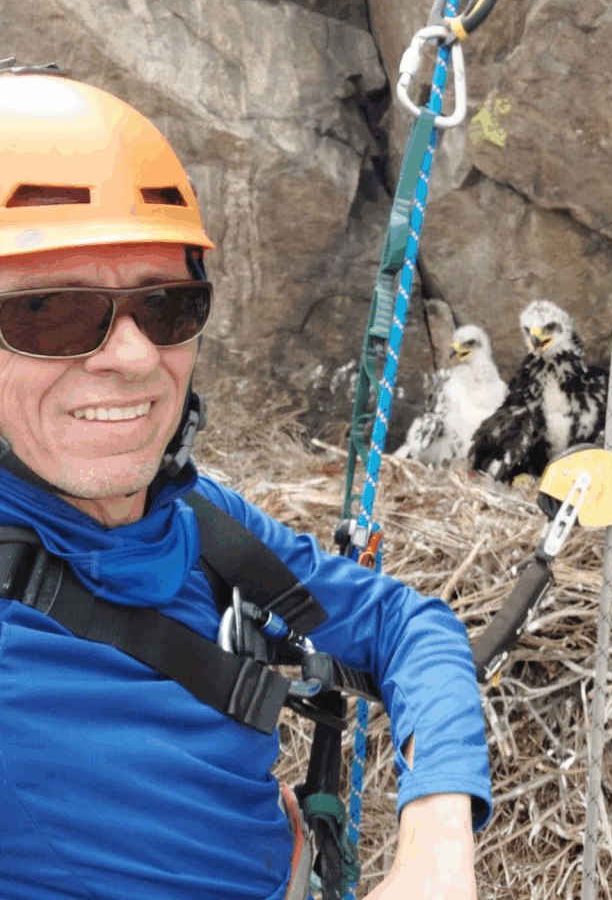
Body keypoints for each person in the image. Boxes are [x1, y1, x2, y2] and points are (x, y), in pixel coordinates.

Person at [0, 68, 491, 900]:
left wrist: (438, 836)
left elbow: (410, 628)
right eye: (49, 312)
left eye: (166, 307)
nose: (131, 357)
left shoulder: (198, 523)